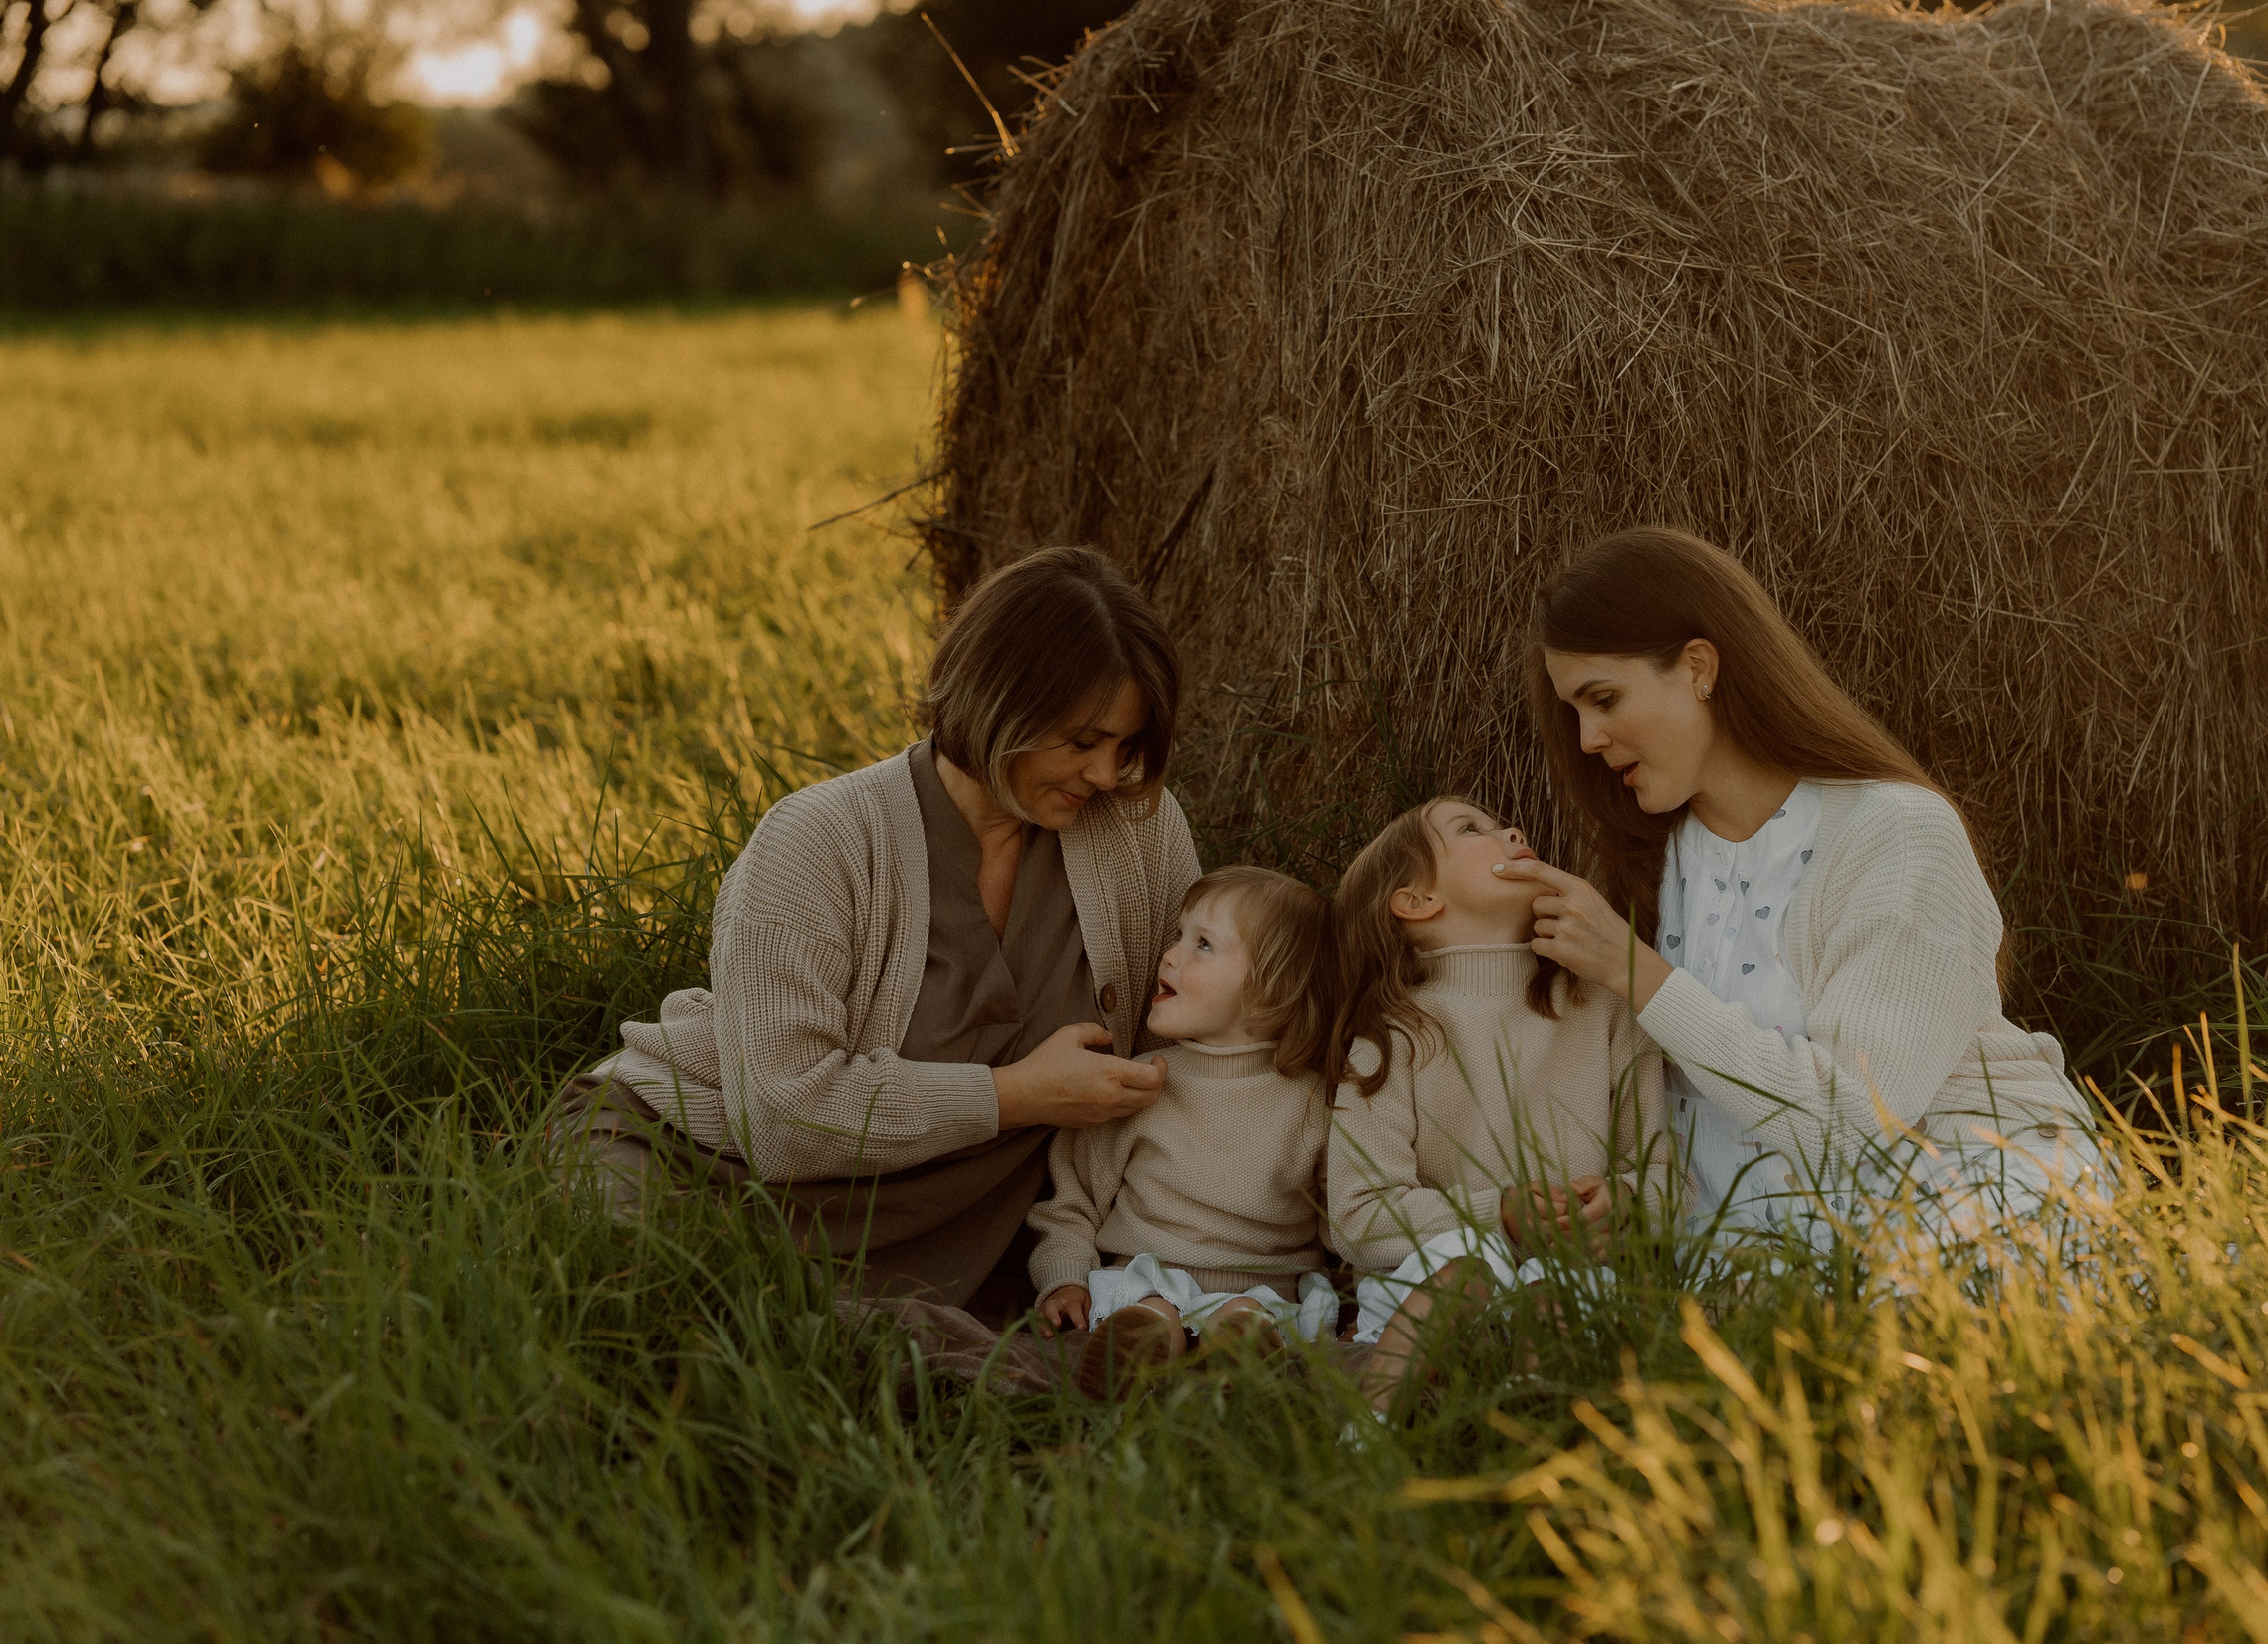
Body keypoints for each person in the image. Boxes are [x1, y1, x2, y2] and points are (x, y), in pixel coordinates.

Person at [549, 546, 1199, 1324]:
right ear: (999, 704)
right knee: (678, 1314)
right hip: (711, 1169)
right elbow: (783, 1123)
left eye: (1124, 748)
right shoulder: (816, 841)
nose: (1103, 775)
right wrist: (1015, 1095)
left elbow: (1202, 1032)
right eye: (1081, 742)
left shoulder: (1137, 831)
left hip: (964, 1218)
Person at [1497, 527, 2102, 1245]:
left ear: (1698, 667)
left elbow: (1853, 1124)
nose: (1590, 739)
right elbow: (1674, 1123)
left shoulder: (1893, 832)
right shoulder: (1649, 870)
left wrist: (1640, 973)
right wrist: (1625, 1202)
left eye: (1604, 697)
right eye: (1574, 712)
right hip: (1752, 1244)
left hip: (1963, 1183)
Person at [1324, 797, 1669, 1420]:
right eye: (1470, 829)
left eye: (1502, 822)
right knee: (1462, 1278)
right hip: (1429, 1290)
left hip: (1573, 1276)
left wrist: (1624, 1200)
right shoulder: (1390, 1039)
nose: (1512, 829)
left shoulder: (1607, 1007)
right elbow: (1357, 1213)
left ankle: (1539, 1461)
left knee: (1552, 1298)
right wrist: (1500, 1217)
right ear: (1417, 900)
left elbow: (1667, 1177)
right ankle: (1363, 1444)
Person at [1028, 865, 1340, 1398]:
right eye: (1178, 936)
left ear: (1270, 992)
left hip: (1261, 1289)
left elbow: (1345, 1218)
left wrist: (1371, 1297)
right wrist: (1063, 1276)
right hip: (1145, 1279)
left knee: (1249, 1317)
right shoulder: (1137, 1082)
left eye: (1203, 945)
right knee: (1148, 1314)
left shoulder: (1311, 1103)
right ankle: (1136, 1360)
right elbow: (1073, 1202)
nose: (1170, 955)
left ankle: (1237, 1365)